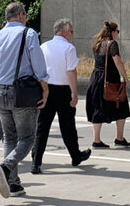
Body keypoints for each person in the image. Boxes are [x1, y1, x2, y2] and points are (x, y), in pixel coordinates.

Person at [0, 2, 48, 198]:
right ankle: (6, 168)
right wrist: (44, 83)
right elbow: (38, 62)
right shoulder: (28, 34)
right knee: (27, 138)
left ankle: (14, 184)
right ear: (21, 15)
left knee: (9, 137)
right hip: (22, 92)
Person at [31, 18, 91, 174]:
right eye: (71, 31)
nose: (72, 34)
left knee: (42, 127)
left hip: (45, 89)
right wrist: (74, 92)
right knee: (68, 126)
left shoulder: (44, 46)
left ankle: (36, 162)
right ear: (63, 31)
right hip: (62, 90)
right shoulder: (68, 48)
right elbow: (71, 71)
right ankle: (75, 156)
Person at [85, 21, 130, 148]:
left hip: (96, 79)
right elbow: (117, 61)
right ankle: (119, 138)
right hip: (110, 80)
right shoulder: (112, 44)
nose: (118, 34)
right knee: (121, 106)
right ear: (112, 32)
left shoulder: (98, 44)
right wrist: (125, 77)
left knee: (97, 108)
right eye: (117, 31)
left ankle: (96, 139)